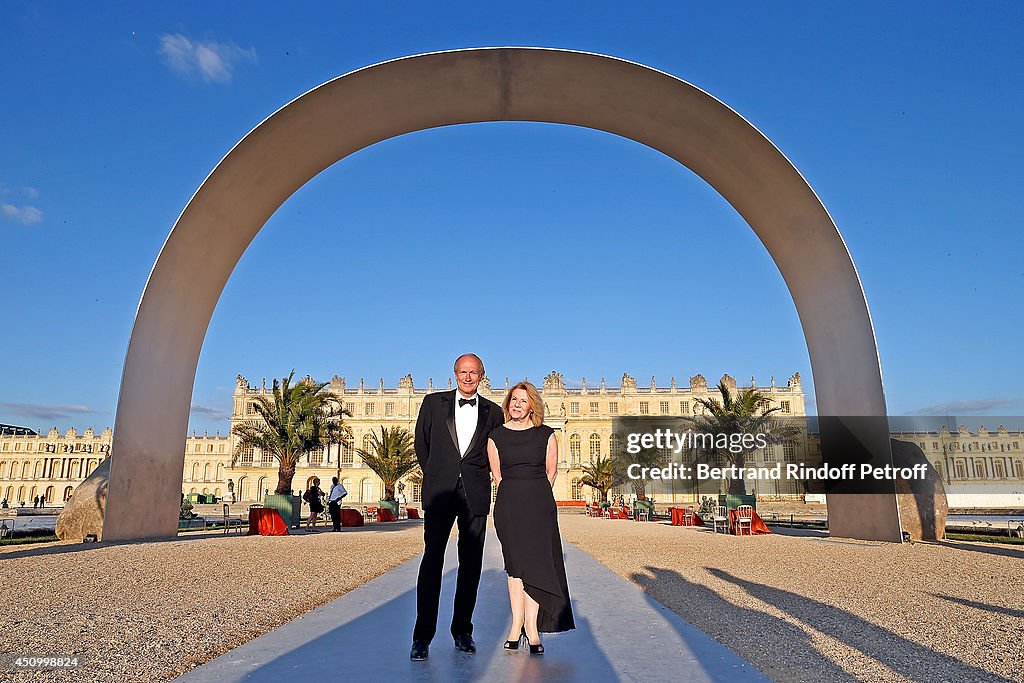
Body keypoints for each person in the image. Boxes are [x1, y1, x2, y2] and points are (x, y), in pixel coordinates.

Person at [410, 354, 505, 661]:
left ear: (482, 376)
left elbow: (498, 450)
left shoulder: (493, 411)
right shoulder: (433, 403)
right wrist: (438, 473)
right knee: (432, 561)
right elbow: (421, 444)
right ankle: (422, 637)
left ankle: (463, 630)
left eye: (473, 373)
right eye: (463, 372)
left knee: (471, 565)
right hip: (440, 492)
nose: (468, 377)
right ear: (455, 374)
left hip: (474, 493)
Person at [487, 380, 575, 655]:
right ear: (508, 403)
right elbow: (497, 476)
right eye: (514, 400)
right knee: (515, 567)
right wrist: (517, 494)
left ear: (532, 406)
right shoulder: (495, 436)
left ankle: (532, 629)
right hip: (509, 506)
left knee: (535, 566)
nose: (517, 405)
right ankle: (516, 626)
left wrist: (534, 495)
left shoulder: (546, 434)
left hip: (538, 506)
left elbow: (551, 473)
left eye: (523, 401)